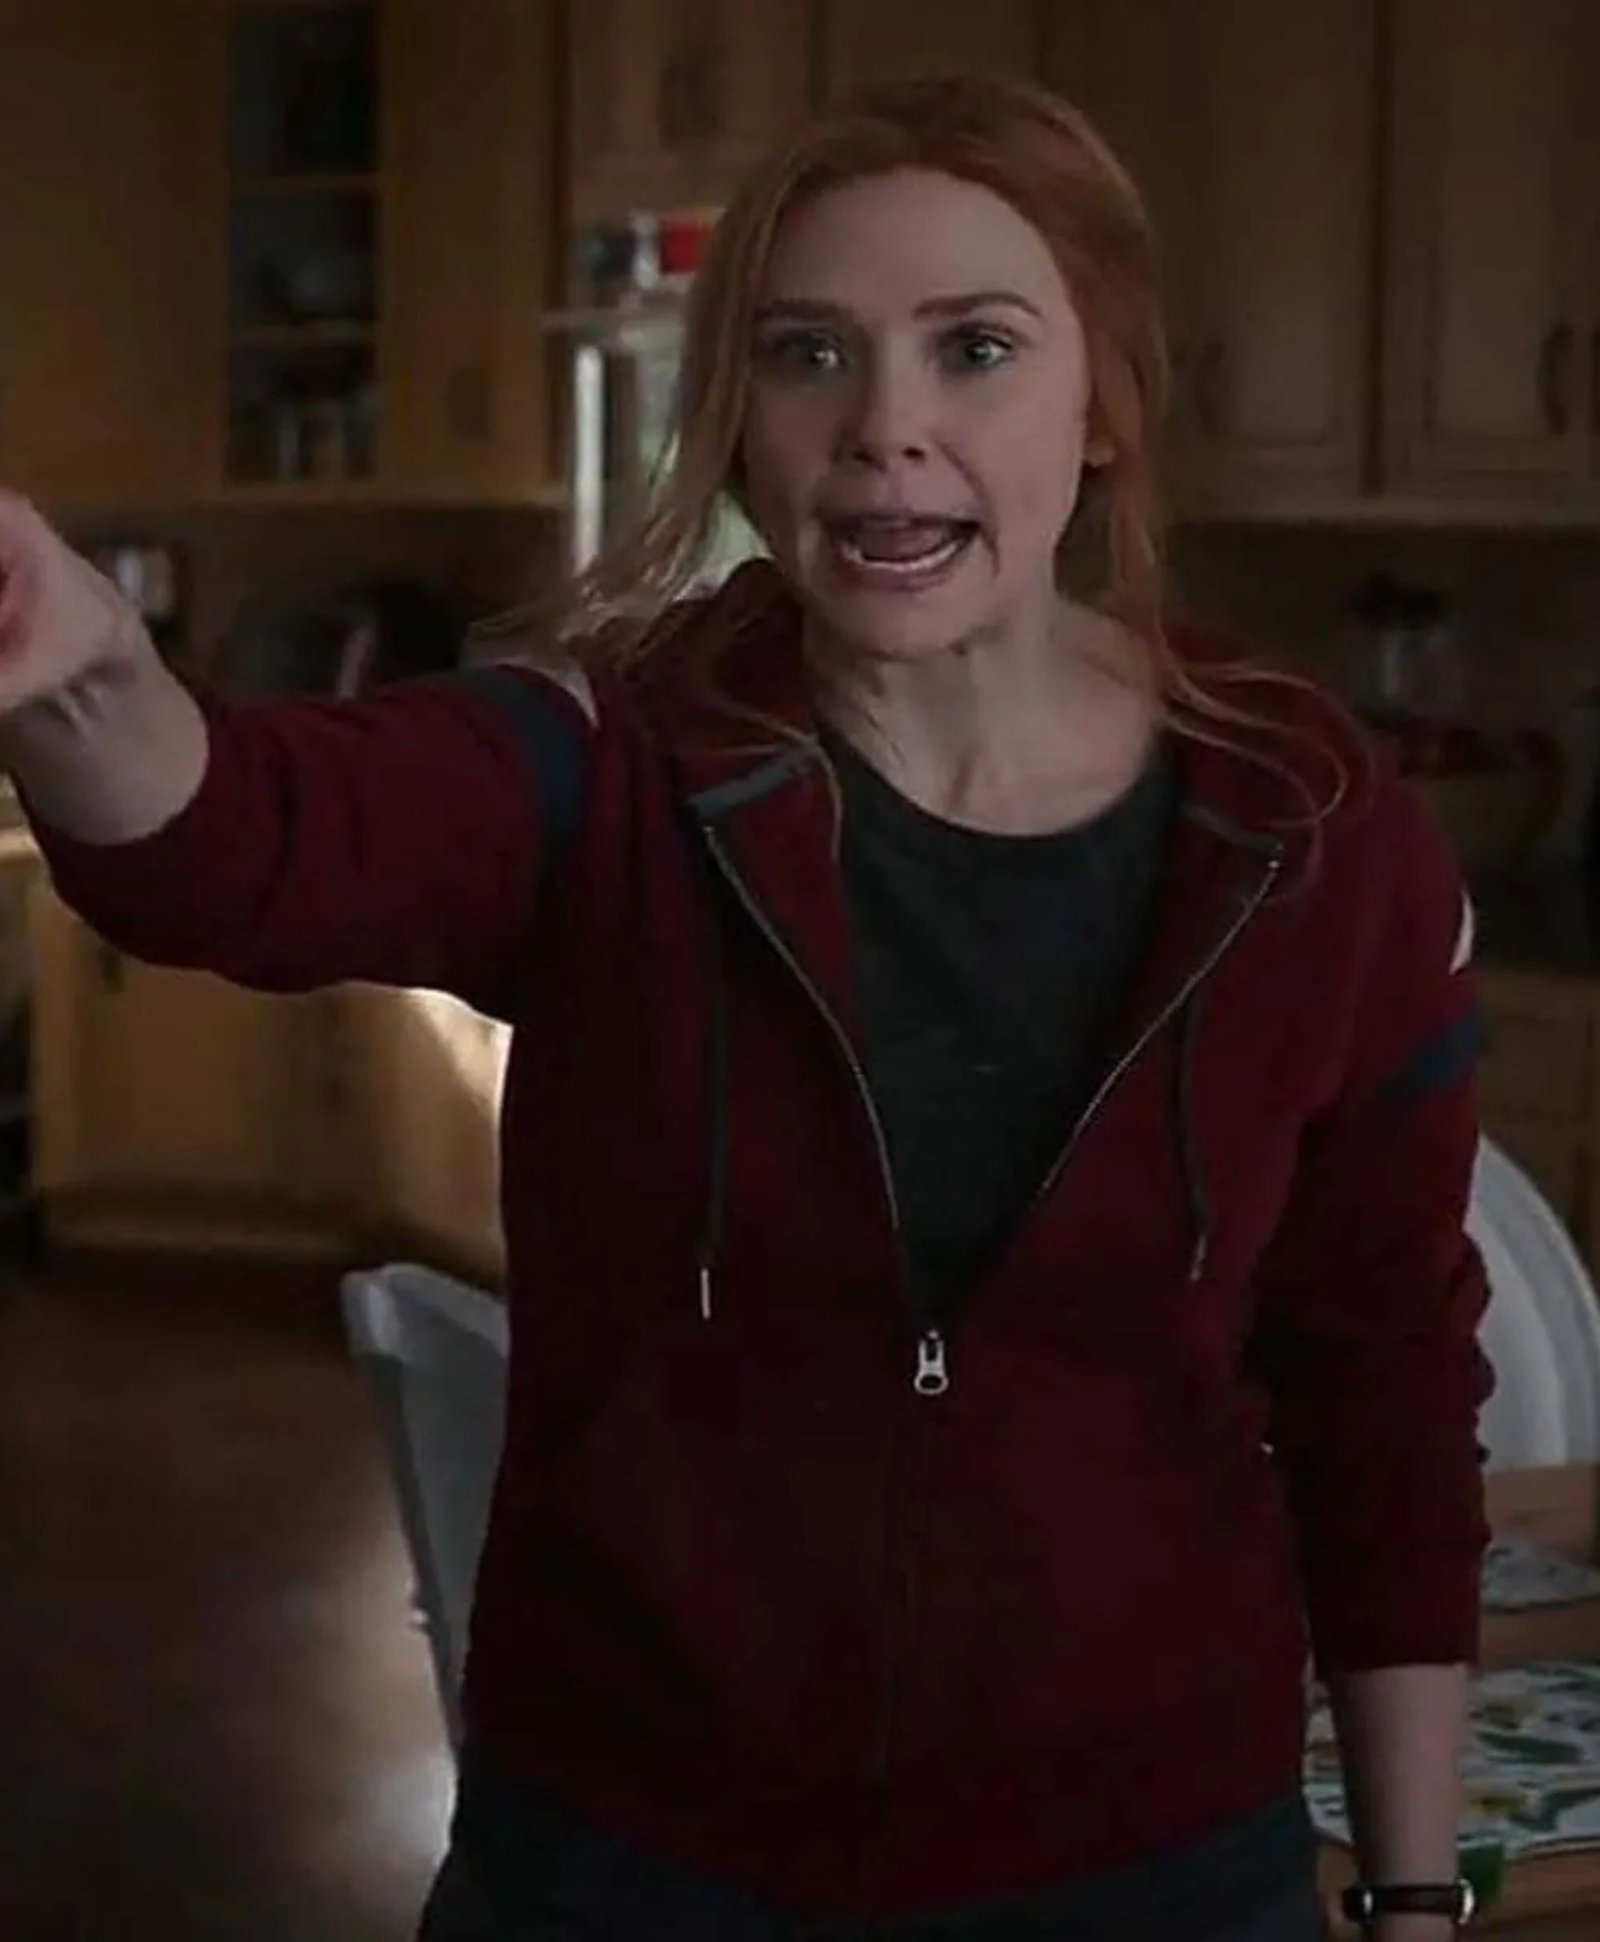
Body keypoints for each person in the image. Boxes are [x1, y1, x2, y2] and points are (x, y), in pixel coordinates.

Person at [0, 72, 1488, 1942]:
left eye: (975, 349)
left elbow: (1385, 1395)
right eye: (809, 353)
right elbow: (240, 837)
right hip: (630, 1865)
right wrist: (78, 664)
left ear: (1103, 399)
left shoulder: (1318, 832)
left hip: (1158, 1870)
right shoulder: (609, 763)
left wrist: (1418, 1895)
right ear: (736, 415)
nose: (884, 428)